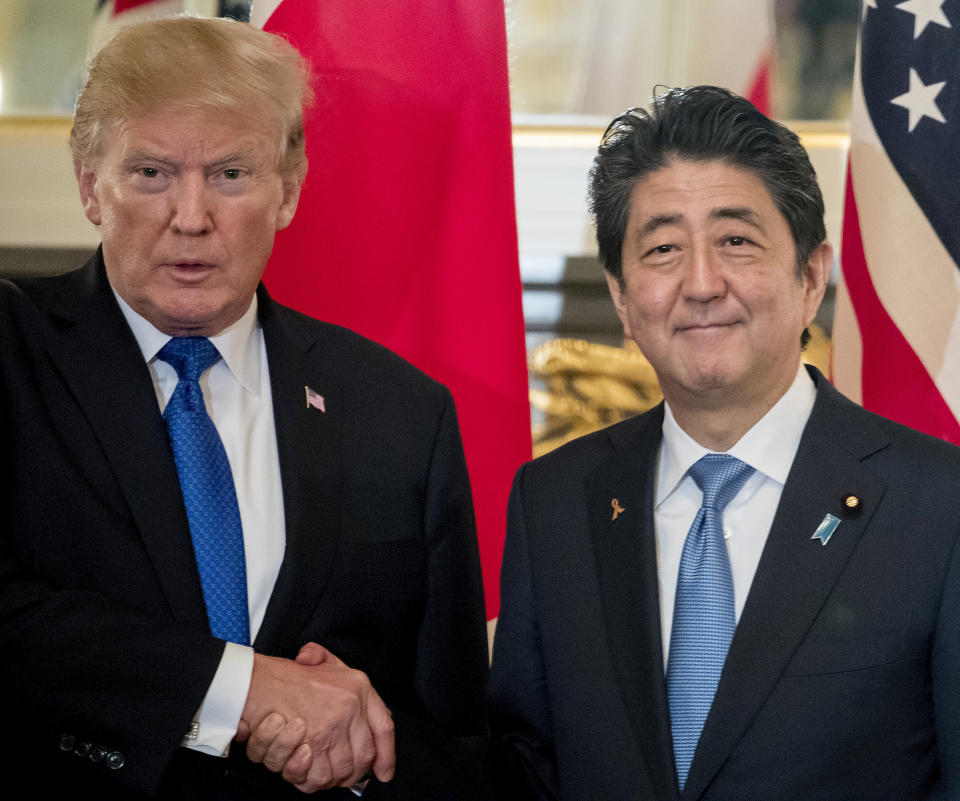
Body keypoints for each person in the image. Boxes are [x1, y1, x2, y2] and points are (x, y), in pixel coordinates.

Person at [0, 16, 489, 800]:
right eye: (152, 173)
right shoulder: (12, 353)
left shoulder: (403, 415)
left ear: (288, 191)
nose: (191, 217)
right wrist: (243, 687)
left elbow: (460, 745)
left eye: (231, 174)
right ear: (91, 185)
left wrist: (360, 757)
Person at [487, 85, 960, 800]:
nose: (702, 283)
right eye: (664, 248)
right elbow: (521, 771)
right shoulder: (552, 504)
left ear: (810, 275)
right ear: (621, 297)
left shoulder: (939, 506)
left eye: (736, 240)